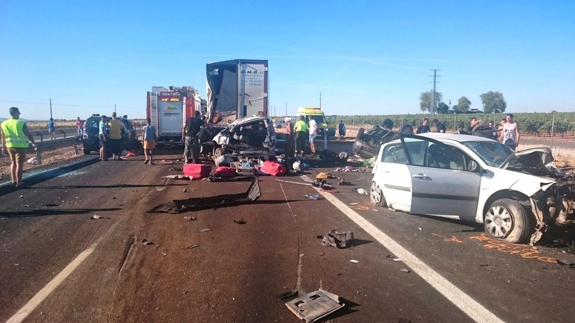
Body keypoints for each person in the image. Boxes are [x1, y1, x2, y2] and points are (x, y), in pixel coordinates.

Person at [1, 107, 37, 187]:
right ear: (16, 113)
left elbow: (3, 137)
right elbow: (28, 133)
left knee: (13, 163)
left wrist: (3, 147)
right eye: (19, 112)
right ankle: (19, 182)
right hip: (20, 146)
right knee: (19, 164)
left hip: (10, 146)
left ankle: (13, 180)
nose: (20, 113)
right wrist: (33, 143)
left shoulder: (4, 123)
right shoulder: (21, 123)